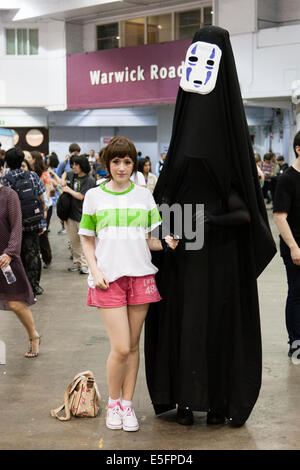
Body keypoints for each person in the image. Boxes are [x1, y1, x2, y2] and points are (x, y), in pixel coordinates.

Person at [144, 26, 276, 428]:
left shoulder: (226, 144)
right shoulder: (198, 138)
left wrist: (206, 219)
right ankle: (188, 399)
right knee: (188, 319)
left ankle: (214, 400)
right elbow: (167, 191)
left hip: (217, 254)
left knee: (211, 321)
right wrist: (166, 223)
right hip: (185, 247)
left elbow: (244, 208)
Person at [79, 136, 178, 432]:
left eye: (127, 162)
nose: (122, 167)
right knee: (120, 346)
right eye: (116, 161)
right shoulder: (95, 196)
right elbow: (86, 237)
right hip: (108, 279)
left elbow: (147, 239)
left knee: (134, 346)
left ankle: (127, 404)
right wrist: (94, 270)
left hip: (140, 276)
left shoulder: (144, 196)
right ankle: (113, 403)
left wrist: (166, 243)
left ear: (134, 163)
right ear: (107, 164)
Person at [0, 160, 41, 358]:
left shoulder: (9, 195)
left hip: (6, 258)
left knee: (15, 303)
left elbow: (16, 227)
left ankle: (33, 335)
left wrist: (10, 252)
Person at [2, 148, 47, 298]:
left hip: (15, 225)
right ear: (22, 160)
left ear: (6, 162)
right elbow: (41, 198)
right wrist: (42, 219)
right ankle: (35, 286)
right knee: (33, 254)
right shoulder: (32, 175)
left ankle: (21, 288)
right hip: (33, 222)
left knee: (17, 256)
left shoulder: (6, 179)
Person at [273, 131, 300, 359]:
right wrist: (293, 246)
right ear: (298, 149)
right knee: (297, 292)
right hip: (295, 246)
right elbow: (280, 217)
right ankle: (296, 341)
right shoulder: (287, 180)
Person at [63, 154, 95, 274]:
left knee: (84, 241)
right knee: (74, 241)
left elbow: (82, 196)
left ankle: (85, 264)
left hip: (82, 215)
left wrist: (69, 190)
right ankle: (77, 262)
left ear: (83, 165)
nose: (74, 166)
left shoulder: (89, 180)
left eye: (77, 164)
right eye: (73, 164)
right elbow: (63, 176)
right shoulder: (72, 175)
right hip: (70, 214)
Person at [30, 151, 53, 269]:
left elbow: (47, 190)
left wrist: (44, 207)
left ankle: (47, 258)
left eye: (30, 157)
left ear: (35, 159)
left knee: (43, 233)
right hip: (33, 207)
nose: (28, 159)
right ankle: (38, 256)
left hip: (45, 207)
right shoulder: (30, 173)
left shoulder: (44, 173)